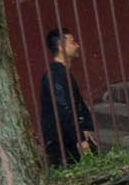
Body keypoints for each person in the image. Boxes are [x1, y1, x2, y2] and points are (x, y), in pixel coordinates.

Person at [37, 25, 90, 167]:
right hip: (62, 142)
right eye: (73, 42)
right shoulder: (55, 75)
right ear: (61, 47)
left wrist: (85, 127)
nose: (77, 45)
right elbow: (64, 108)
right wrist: (79, 138)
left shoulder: (61, 73)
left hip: (68, 138)